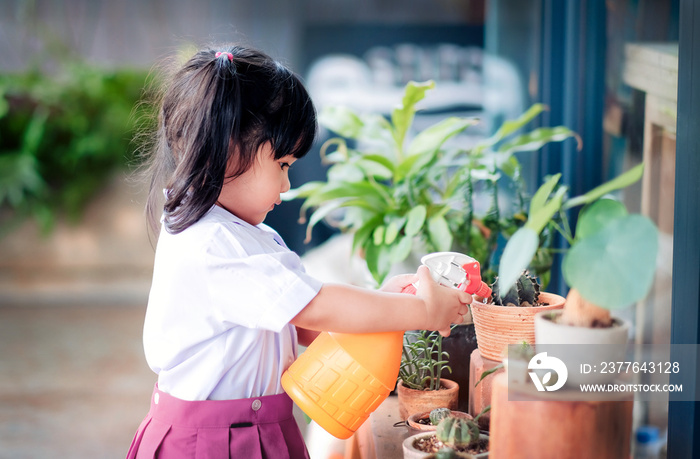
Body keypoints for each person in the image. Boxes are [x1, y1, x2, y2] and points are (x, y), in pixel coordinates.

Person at [126, 43, 472, 459]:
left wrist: (390, 303)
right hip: (215, 443)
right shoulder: (215, 246)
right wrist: (423, 313)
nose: (287, 186)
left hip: (248, 430)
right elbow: (313, 308)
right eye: (284, 165)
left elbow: (298, 324)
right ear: (228, 149)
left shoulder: (239, 233)